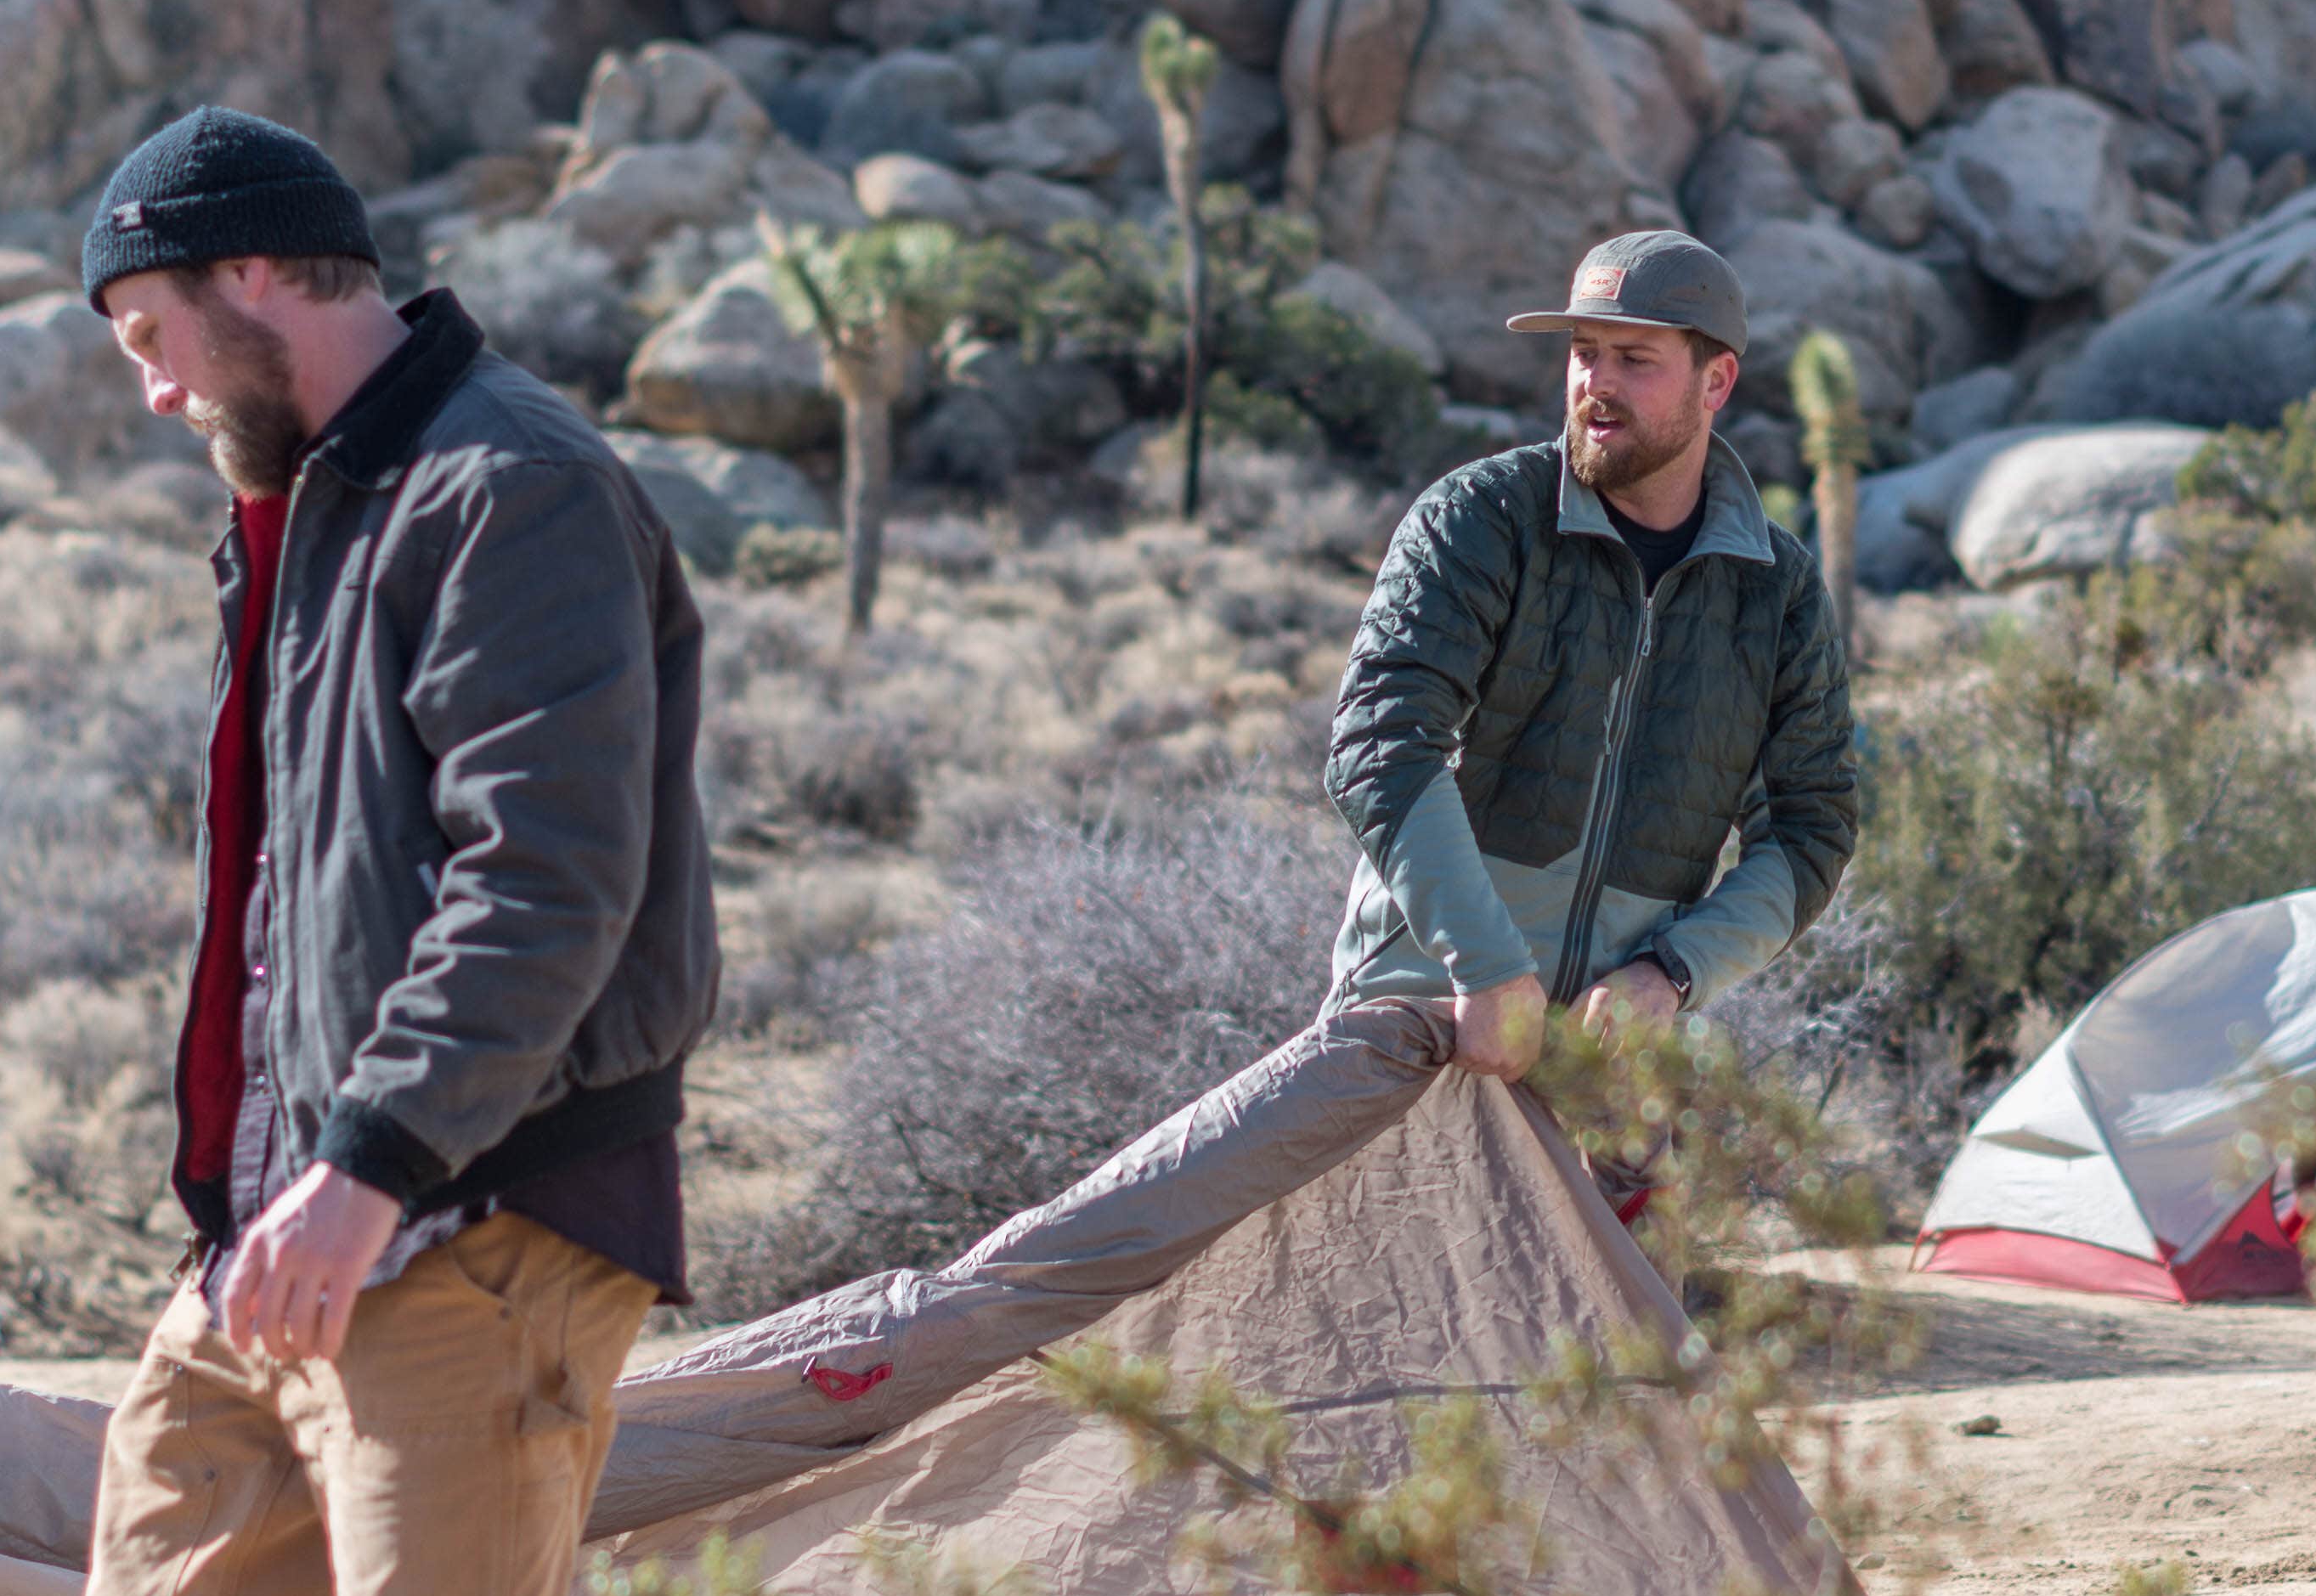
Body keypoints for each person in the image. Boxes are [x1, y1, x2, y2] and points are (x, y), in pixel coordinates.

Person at [730, 228, 1860, 1431]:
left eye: (1634, 359)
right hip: (1421, 1026)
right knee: (1339, 1383)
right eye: (1582, 354)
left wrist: (1673, 973)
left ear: (1715, 381)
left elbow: (1813, 828)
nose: (1594, 384)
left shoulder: (1778, 591)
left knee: (1617, 1417)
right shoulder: (1486, 516)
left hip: (1612, 1066)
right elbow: (1381, 745)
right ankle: (851, 1396)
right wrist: (1485, 966)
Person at [59, 106, 716, 1596]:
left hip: (470, 1224)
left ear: (254, 272)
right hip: (276, 1244)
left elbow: (548, 879)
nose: (157, 389)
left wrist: (370, 1166)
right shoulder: (315, 509)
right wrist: (284, 1191)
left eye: (150, 333)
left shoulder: (508, 486)